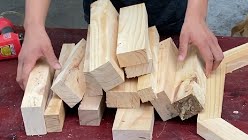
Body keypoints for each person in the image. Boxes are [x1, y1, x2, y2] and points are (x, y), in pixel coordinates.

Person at [17, 0, 224, 90]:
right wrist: (33, 24)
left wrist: (196, 12)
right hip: (106, 16)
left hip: (166, 15)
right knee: (102, 70)